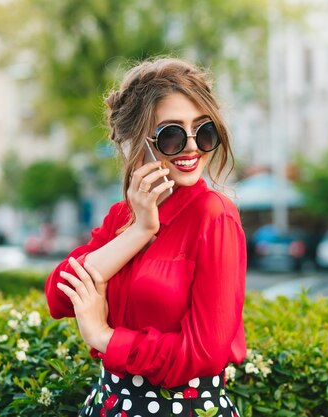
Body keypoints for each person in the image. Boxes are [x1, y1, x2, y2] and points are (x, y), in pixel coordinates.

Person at [45, 58, 246, 417]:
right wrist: (140, 230)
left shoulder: (214, 215)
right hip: (109, 404)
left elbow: (204, 353)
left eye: (204, 131)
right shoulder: (123, 215)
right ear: (136, 143)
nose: (191, 147)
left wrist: (104, 336)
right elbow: (59, 296)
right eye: (171, 134)